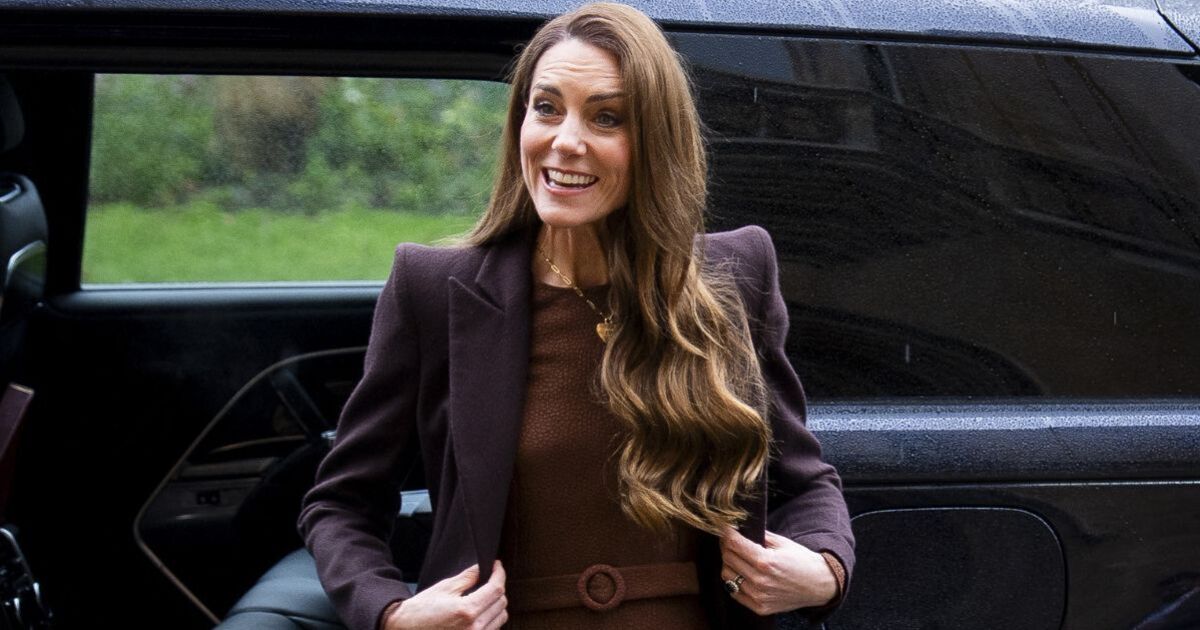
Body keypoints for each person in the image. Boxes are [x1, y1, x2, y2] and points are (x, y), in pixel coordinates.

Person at [298, 3, 855, 629]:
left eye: (606, 117)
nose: (565, 141)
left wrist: (825, 569)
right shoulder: (433, 289)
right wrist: (392, 614)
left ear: (656, 142)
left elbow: (803, 483)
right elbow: (340, 506)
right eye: (546, 108)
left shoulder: (733, 275)